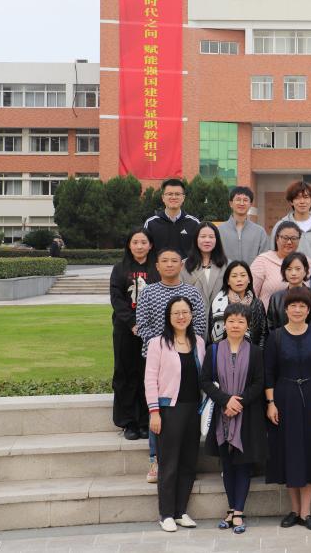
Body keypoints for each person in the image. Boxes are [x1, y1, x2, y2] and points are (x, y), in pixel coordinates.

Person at [135, 248, 209, 483]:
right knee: (158, 409)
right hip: (158, 357)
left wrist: (183, 342)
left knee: (184, 410)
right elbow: (142, 324)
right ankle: (156, 459)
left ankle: (185, 462)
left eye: (174, 261)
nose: (169, 264)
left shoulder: (191, 293)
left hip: (187, 356)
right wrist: (163, 344)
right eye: (164, 261)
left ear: (181, 265)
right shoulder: (148, 292)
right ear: (156, 266)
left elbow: (200, 323)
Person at [264, 287, 311, 531]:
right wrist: (271, 403)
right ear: (286, 309)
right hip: (284, 397)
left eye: (302, 306)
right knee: (290, 451)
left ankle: (306, 512)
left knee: (310, 451)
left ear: (308, 310)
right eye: (293, 306)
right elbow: (269, 373)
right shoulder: (276, 337)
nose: (297, 310)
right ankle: (294, 510)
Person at [199, 303, 267, 536]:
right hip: (222, 415)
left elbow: (259, 383)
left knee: (243, 465)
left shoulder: (256, 352)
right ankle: (231, 508)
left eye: (240, 321)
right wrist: (226, 401)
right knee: (227, 465)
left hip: (247, 416)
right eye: (231, 321)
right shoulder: (213, 350)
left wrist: (239, 403)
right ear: (224, 324)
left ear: (248, 325)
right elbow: (205, 381)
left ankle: (238, 511)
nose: (235, 325)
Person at [145, 296, 205, 533]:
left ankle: (180, 512)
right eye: (176, 313)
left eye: (185, 312)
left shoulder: (198, 342)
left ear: (191, 315)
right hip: (169, 410)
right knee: (169, 463)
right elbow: (150, 379)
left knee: (189, 462)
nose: (181, 317)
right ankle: (166, 514)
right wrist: (154, 412)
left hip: (194, 409)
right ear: (168, 317)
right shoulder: (158, 343)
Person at [109, 228, 159, 441]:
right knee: (125, 373)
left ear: (150, 245)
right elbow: (117, 299)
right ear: (129, 245)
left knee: (147, 374)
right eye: (135, 242)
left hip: (152, 331)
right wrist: (132, 323)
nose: (139, 246)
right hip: (125, 330)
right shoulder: (120, 269)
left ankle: (145, 421)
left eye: (143, 242)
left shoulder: (157, 268)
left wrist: (147, 325)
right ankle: (128, 422)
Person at [269, 180, 311, 269]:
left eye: (306, 197)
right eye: (297, 198)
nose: (302, 201)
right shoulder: (281, 226)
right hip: (288, 276)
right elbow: (273, 254)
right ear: (291, 202)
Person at [210, 260, 267, 347]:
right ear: (228, 281)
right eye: (234, 276)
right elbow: (211, 329)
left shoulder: (257, 303)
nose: (239, 279)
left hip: (252, 352)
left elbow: (263, 333)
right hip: (223, 351)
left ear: (249, 279)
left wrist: (257, 352)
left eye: (243, 275)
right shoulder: (219, 302)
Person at [144, 179, 200, 257]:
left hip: (187, 265)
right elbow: (145, 250)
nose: (173, 197)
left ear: (183, 198)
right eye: (169, 194)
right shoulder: (151, 223)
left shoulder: (194, 223)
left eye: (177, 194)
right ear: (163, 197)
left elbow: (199, 250)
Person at [266, 252, 311, 333]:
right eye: (289, 269)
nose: (293, 273)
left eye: (298, 269)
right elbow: (270, 326)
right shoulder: (276, 298)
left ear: (305, 271)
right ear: (284, 272)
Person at [250, 220, 301, 307]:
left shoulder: (306, 262)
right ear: (277, 238)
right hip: (267, 315)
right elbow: (250, 294)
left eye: (293, 238)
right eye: (285, 238)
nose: (289, 242)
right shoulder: (262, 261)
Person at [180, 221, 228, 309]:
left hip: (219, 315)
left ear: (217, 240)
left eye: (211, 237)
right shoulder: (183, 266)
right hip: (192, 314)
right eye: (203, 236)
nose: (207, 240)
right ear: (196, 239)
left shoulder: (227, 265)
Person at [218, 186, 269, 266]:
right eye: (238, 199)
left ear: (250, 204)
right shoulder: (219, 230)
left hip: (253, 273)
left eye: (245, 200)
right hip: (225, 273)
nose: (241, 203)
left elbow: (264, 259)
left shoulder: (260, 232)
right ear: (231, 203)